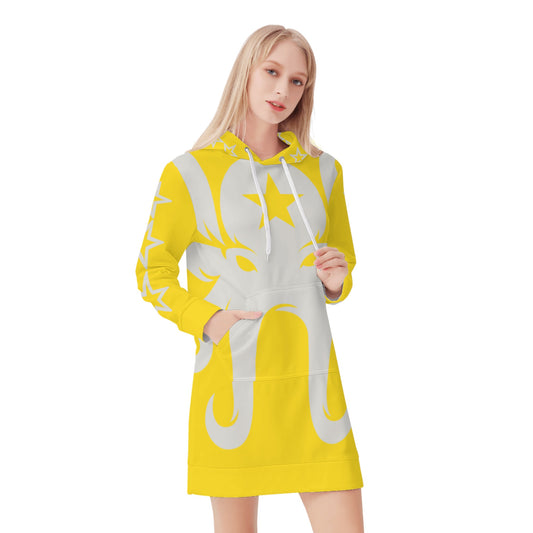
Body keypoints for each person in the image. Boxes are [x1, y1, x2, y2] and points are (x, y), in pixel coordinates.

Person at [135, 24, 365, 533]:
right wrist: (206, 319)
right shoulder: (189, 172)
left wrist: (337, 280)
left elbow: (342, 262)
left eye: (298, 81)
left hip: (312, 382)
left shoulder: (324, 171)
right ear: (246, 71)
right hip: (233, 381)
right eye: (272, 71)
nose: (283, 90)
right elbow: (151, 269)